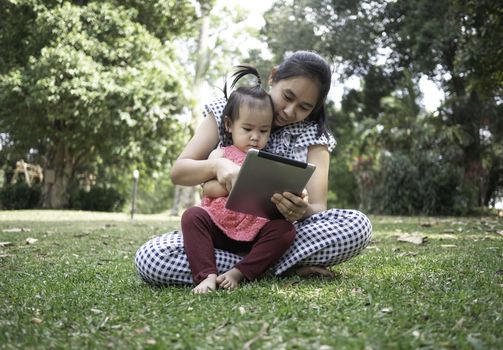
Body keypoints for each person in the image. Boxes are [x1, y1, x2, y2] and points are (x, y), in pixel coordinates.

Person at [135, 50, 372, 287]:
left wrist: (301, 210)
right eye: (287, 96)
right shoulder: (227, 110)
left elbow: (318, 209)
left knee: (357, 225)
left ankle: (251, 264)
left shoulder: (314, 136)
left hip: (274, 236)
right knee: (152, 258)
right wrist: (219, 164)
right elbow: (179, 172)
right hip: (220, 231)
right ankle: (273, 268)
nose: (290, 111)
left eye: (304, 107)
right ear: (274, 77)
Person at [182, 65, 295, 293]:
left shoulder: (269, 160)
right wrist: (241, 185)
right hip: (219, 226)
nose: (255, 137)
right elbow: (210, 191)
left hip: (255, 231)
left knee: (285, 231)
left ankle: (239, 272)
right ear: (229, 125)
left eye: (264, 131)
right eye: (247, 129)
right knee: (192, 216)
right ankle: (207, 275)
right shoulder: (220, 154)